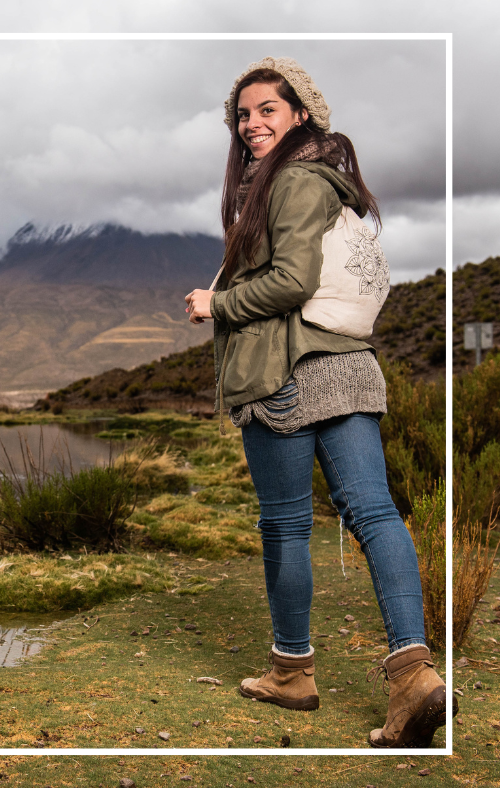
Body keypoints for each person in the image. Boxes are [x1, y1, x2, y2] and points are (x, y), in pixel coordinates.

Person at [183, 56, 453, 748]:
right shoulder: (331, 183)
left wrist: (218, 304)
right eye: (243, 115)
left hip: (288, 370)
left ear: (301, 113)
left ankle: (293, 671)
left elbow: (291, 281)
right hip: (351, 367)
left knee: (285, 524)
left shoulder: (292, 182)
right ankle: (413, 675)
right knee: (375, 513)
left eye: (267, 110)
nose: (251, 125)